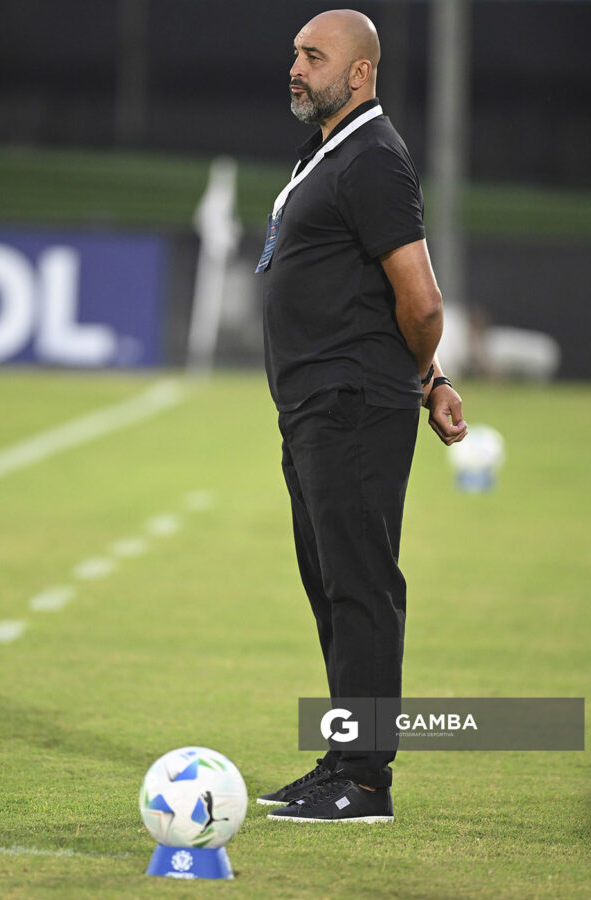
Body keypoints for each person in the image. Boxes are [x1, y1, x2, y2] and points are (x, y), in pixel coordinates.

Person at [255, 9, 468, 823]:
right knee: (335, 589)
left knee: (362, 590)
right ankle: (344, 759)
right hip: (319, 409)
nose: (297, 67)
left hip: (351, 407)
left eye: (315, 56)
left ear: (361, 73)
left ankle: (367, 781)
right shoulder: (334, 150)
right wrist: (433, 379)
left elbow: (420, 300)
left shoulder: (373, 156)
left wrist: (417, 376)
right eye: (296, 54)